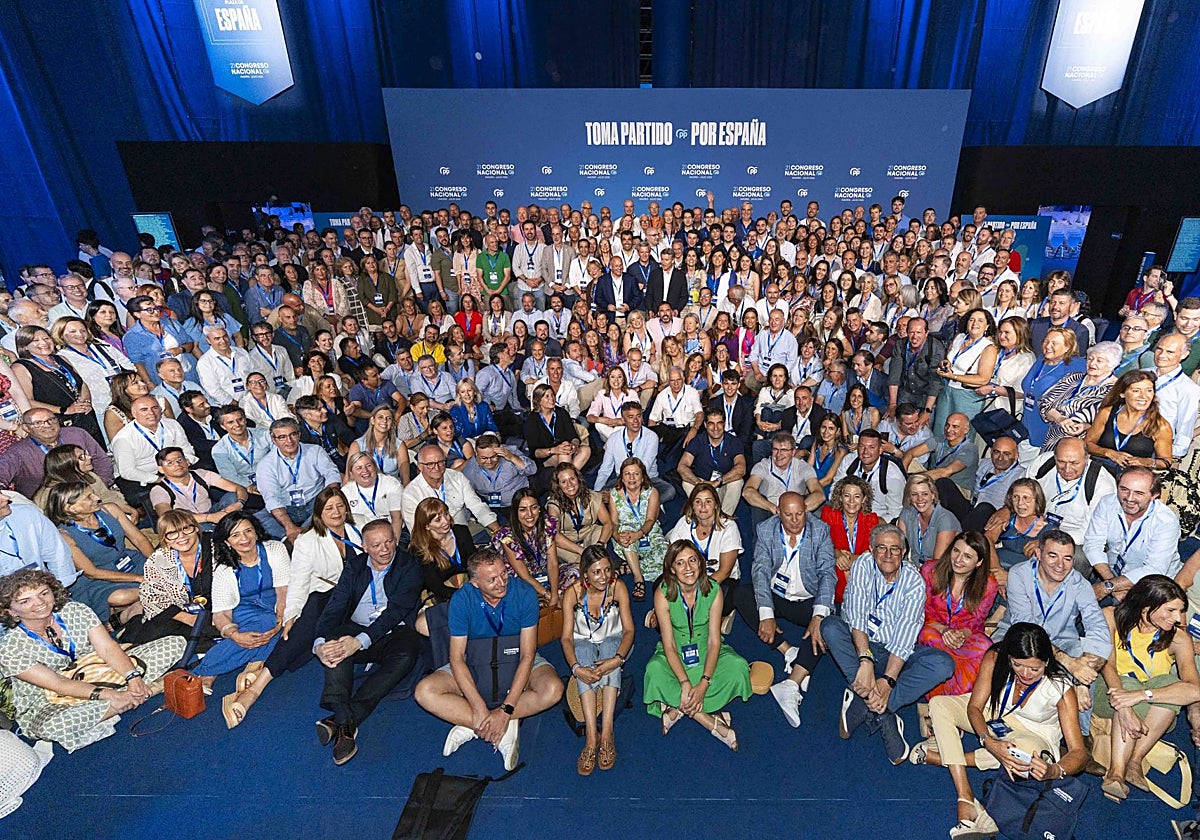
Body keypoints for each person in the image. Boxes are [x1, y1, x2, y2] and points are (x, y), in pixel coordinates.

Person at [917, 623, 1088, 839]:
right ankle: (965, 796)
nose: (1025, 673)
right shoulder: (995, 658)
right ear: (1009, 657)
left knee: (1024, 756)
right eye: (1017, 665)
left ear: (1046, 662)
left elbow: (1079, 754)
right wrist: (988, 741)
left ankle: (946, 756)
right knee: (940, 705)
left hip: (1033, 734)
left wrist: (1054, 771)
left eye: (1035, 669)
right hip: (995, 713)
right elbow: (975, 708)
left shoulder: (1061, 688)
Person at [0, 568, 184, 751]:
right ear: (10, 612)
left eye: (44, 593)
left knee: (175, 644)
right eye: (25, 601)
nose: (39, 602)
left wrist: (133, 677)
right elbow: (58, 683)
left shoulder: (75, 610)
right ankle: (148, 690)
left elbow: (108, 649)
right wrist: (108, 694)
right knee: (55, 726)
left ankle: (124, 698)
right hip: (49, 697)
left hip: (98, 669)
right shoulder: (10, 648)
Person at [415, 547, 564, 772]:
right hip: (475, 662)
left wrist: (506, 709)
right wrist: (479, 709)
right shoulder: (462, 599)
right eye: (492, 579)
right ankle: (486, 725)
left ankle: (488, 723)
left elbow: (527, 654)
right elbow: (456, 658)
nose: (502, 582)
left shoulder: (524, 593)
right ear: (475, 583)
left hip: (516, 658)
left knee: (553, 689)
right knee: (424, 691)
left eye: (504, 573)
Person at [822, 523, 956, 765]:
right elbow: (857, 617)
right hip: (860, 644)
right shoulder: (862, 564)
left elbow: (905, 637)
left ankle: (871, 703)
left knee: (943, 664)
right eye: (881, 548)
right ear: (872, 550)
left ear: (904, 553)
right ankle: (881, 709)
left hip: (895, 652)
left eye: (895, 549)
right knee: (830, 627)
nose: (888, 555)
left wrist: (887, 681)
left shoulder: (914, 582)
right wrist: (865, 660)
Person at [313, 519, 424, 765]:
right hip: (356, 627)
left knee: (408, 652)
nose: (384, 549)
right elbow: (334, 608)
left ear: (395, 540)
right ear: (364, 547)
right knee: (334, 644)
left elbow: (396, 612)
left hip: (393, 632)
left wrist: (361, 642)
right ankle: (346, 721)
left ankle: (341, 720)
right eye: (376, 545)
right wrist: (319, 644)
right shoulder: (353, 567)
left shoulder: (410, 566)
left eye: (389, 542)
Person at [732, 492, 835, 728]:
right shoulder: (766, 529)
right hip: (777, 595)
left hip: (807, 598)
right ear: (778, 512)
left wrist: (819, 614)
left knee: (829, 624)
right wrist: (766, 614)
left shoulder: (819, 530)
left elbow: (828, 574)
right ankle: (788, 650)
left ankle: (791, 683)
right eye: (788, 515)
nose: (795, 520)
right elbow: (759, 571)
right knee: (742, 594)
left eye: (800, 514)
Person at [1095, 575, 1200, 802]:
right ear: (1147, 606)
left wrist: (1141, 695)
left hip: (1150, 703)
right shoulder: (1111, 617)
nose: (1178, 618)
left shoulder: (1178, 638)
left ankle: (1134, 761)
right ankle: (1116, 773)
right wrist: (1125, 705)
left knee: (1167, 684)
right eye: (1171, 611)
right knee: (1129, 682)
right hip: (1110, 692)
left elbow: (1195, 689)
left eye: (1181, 611)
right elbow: (1108, 666)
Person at [644, 540, 751, 750]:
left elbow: (714, 641)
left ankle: (677, 709)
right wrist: (685, 682)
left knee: (738, 667)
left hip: (706, 650)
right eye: (680, 563)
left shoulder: (714, 590)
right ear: (672, 569)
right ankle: (709, 721)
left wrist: (703, 683)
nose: (688, 568)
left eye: (692, 560)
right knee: (654, 670)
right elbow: (669, 645)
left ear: (701, 564)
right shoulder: (662, 593)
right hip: (675, 652)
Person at [993, 530, 1111, 708]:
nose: (1060, 565)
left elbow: (1097, 625)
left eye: (1067, 558)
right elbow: (1026, 628)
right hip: (1016, 636)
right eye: (1053, 556)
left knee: (1086, 660)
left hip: (1063, 640)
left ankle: (1080, 732)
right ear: (1039, 554)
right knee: (996, 657)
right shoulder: (1019, 574)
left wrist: (1083, 674)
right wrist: (1069, 663)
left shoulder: (1079, 583)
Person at [191, 514, 290, 694]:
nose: (244, 539)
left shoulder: (276, 549)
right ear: (227, 541)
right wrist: (234, 634)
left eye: (248, 531)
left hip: (276, 605)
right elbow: (221, 614)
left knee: (281, 627)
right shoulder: (223, 569)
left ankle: (209, 670)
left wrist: (280, 620)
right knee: (267, 628)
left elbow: (284, 592)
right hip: (244, 610)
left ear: (257, 532)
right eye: (235, 535)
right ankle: (221, 669)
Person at [560, 546, 635, 775]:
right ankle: (592, 737)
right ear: (585, 575)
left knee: (611, 647)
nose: (604, 577)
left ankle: (608, 731)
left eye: (607, 570)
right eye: (596, 572)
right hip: (583, 644)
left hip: (616, 644)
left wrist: (618, 660)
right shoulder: (572, 594)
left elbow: (629, 631)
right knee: (581, 649)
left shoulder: (618, 587)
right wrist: (576, 668)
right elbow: (565, 639)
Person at [45, 482, 151, 628]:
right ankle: (121, 616)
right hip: (99, 578)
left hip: (129, 560)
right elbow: (92, 573)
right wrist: (139, 578)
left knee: (170, 570)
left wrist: (158, 561)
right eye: (89, 497)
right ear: (71, 508)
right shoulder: (64, 535)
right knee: (122, 596)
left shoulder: (110, 509)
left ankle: (140, 606)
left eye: (93, 493)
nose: (97, 498)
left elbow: (138, 539)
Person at [918, 532, 998, 699]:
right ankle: (945, 697)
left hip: (965, 635)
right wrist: (944, 630)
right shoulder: (930, 571)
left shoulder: (988, 584)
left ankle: (958, 698)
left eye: (968, 556)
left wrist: (961, 635)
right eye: (956, 551)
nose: (958, 559)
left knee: (986, 647)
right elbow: (922, 612)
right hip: (933, 629)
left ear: (979, 562)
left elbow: (976, 622)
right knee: (929, 637)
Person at [257, 417, 343, 543]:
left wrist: (327, 500)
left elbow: (332, 475)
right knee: (257, 520)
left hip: (315, 502)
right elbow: (272, 498)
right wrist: (289, 527)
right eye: (282, 437)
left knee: (331, 508)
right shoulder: (265, 464)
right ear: (274, 440)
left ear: (299, 434)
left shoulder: (315, 450)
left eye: (293, 434)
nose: (289, 441)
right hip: (286, 507)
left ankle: (302, 536)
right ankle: (294, 535)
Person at [1026, 437, 1116, 557]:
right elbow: (1022, 491)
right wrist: (1007, 509)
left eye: (1074, 463)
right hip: (1037, 525)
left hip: (1075, 537)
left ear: (1087, 458)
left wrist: (1050, 541)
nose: (1067, 469)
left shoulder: (1103, 484)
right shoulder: (1043, 462)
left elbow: (1090, 532)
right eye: (1061, 462)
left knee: (1076, 558)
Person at [0, 408, 112, 499]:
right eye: (38, 423)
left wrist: (99, 487)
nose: (47, 425)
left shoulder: (77, 434)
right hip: (49, 506)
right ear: (26, 428)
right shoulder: (18, 452)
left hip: (93, 494)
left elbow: (101, 460)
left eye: (51, 419)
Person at [666, 483, 744, 606]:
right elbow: (671, 559)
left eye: (708, 501)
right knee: (662, 586)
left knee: (722, 600)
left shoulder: (729, 527)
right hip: (688, 574)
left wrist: (696, 591)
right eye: (698, 502)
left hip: (720, 578)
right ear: (692, 505)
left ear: (716, 505)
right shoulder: (684, 523)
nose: (703, 506)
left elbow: (724, 571)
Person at [110, 395, 197, 506]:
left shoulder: (173, 425)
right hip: (146, 476)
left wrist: (186, 462)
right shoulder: (123, 438)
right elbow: (127, 471)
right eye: (144, 410)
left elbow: (186, 448)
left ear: (160, 410)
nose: (151, 413)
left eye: (155, 407)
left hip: (177, 467)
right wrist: (159, 479)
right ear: (134, 414)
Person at [1037, 340, 1121, 453]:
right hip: (1051, 442)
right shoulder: (1073, 377)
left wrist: (1085, 426)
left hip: (1082, 447)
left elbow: (1111, 424)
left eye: (1099, 361)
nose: (1092, 363)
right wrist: (1059, 418)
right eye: (1090, 358)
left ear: (1112, 365)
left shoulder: (1116, 390)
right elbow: (1044, 402)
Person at [605, 457, 669, 602]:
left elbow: (650, 520)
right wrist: (616, 535)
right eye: (627, 474)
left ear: (642, 477)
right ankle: (638, 579)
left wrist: (638, 534)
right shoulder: (615, 494)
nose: (632, 478)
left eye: (636, 474)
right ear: (622, 477)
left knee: (665, 560)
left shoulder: (652, 492)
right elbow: (614, 522)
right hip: (624, 535)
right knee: (626, 535)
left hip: (647, 531)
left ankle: (629, 567)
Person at [401, 441, 499, 533]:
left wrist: (498, 530)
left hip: (465, 529)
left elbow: (477, 506)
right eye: (430, 464)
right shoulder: (410, 494)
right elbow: (418, 532)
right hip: (433, 539)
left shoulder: (457, 477)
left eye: (441, 462)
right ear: (420, 466)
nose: (437, 467)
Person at [676, 408, 747, 516]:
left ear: (724, 424)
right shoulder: (697, 441)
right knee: (686, 482)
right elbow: (682, 466)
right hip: (701, 485)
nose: (715, 428)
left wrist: (718, 482)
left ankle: (724, 518)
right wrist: (698, 483)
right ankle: (702, 515)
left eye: (719, 423)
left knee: (737, 482)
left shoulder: (734, 442)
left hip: (722, 484)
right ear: (705, 425)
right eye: (711, 424)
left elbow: (741, 468)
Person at [408, 497, 475, 611]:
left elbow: (475, 564)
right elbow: (436, 587)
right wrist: (466, 596)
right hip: (442, 596)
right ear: (427, 526)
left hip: (469, 586)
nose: (446, 521)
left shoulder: (461, 532)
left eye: (446, 514)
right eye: (438, 520)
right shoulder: (420, 549)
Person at [821, 476, 880, 602]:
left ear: (864, 499)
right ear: (840, 497)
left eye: (857, 496)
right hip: (835, 565)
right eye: (847, 495)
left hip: (862, 570)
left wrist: (854, 559)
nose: (852, 501)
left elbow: (873, 552)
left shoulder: (871, 519)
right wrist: (837, 554)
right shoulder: (829, 514)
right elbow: (822, 543)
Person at [744, 432, 824, 525]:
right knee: (757, 507)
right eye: (775, 450)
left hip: (796, 512)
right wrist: (773, 508)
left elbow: (819, 495)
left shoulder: (803, 467)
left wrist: (797, 510)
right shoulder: (762, 466)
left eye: (784, 450)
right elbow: (747, 492)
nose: (779, 454)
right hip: (770, 511)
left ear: (793, 452)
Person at [832, 429, 907, 522]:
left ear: (880, 450)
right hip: (847, 513)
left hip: (876, 519)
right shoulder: (849, 461)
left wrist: (871, 521)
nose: (865, 452)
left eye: (871, 447)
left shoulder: (893, 476)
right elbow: (834, 491)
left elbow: (895, 514)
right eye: (862, 446)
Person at [985, 479, 1048, 588]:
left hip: (1024, 582)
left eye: (1026, 498)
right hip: (997, 573)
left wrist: (1009, 578)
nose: (1020, 503)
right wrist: (997, 572)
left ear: (1037, 500)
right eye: (1015, 497)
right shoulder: (1005, 520)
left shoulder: (1048, 529)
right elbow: (987, 539)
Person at [546, 463, 613, 566]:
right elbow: (556, 535)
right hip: (567, 544)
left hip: (589, 538)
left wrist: (600, 544)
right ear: (558, 485)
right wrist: (582, 551)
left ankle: (593, 559)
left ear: (578, 478)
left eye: (572, 479)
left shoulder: (592, 496)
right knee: (552, 543)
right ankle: (592, 561)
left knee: (600, 530)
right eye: (564, 481)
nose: (569, 484)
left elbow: (608, 523)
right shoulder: (553, 505)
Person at [897, 474, 961, 567]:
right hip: (912, 569)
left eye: (925, 494)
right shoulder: (906, 513)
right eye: (914, 494)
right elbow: (900, 550)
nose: (920, 499)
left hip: (937, 572)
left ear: (933, 495)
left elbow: (937, 563)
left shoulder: (945, 520)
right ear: (909, 497)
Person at [341, 451, 404, 539]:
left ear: (375, 466)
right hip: (361, 537)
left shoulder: (391, 483)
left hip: (392, 533)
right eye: (359, 468)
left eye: (368, 465)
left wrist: (394, 543)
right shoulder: (345, 492)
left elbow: (397, 518)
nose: (365, 471)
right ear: (351, 473)